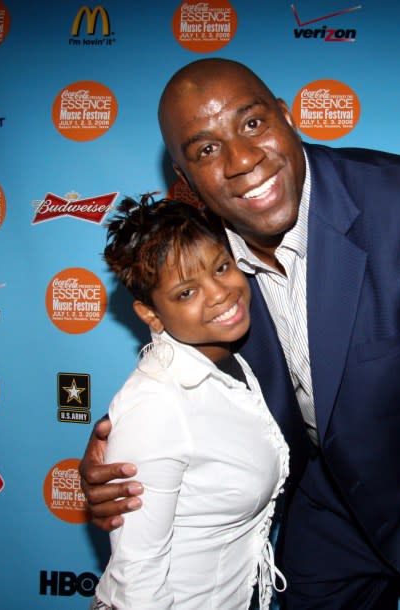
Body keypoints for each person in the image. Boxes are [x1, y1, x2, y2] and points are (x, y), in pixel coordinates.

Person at [80, 58, 400, 609]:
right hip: (326, 502)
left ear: (285, 116)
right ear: (185, 179)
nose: (241, 160)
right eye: (206, 149)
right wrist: (127, 451)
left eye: (252, 124)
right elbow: (178, 362)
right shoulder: (203, 254)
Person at [89, 195, 288, 610]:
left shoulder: (225, 360)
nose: (219, 294)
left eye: (221, 267)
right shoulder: (158, 405)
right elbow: (137, 584)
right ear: (150, 314)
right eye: (185, 292)